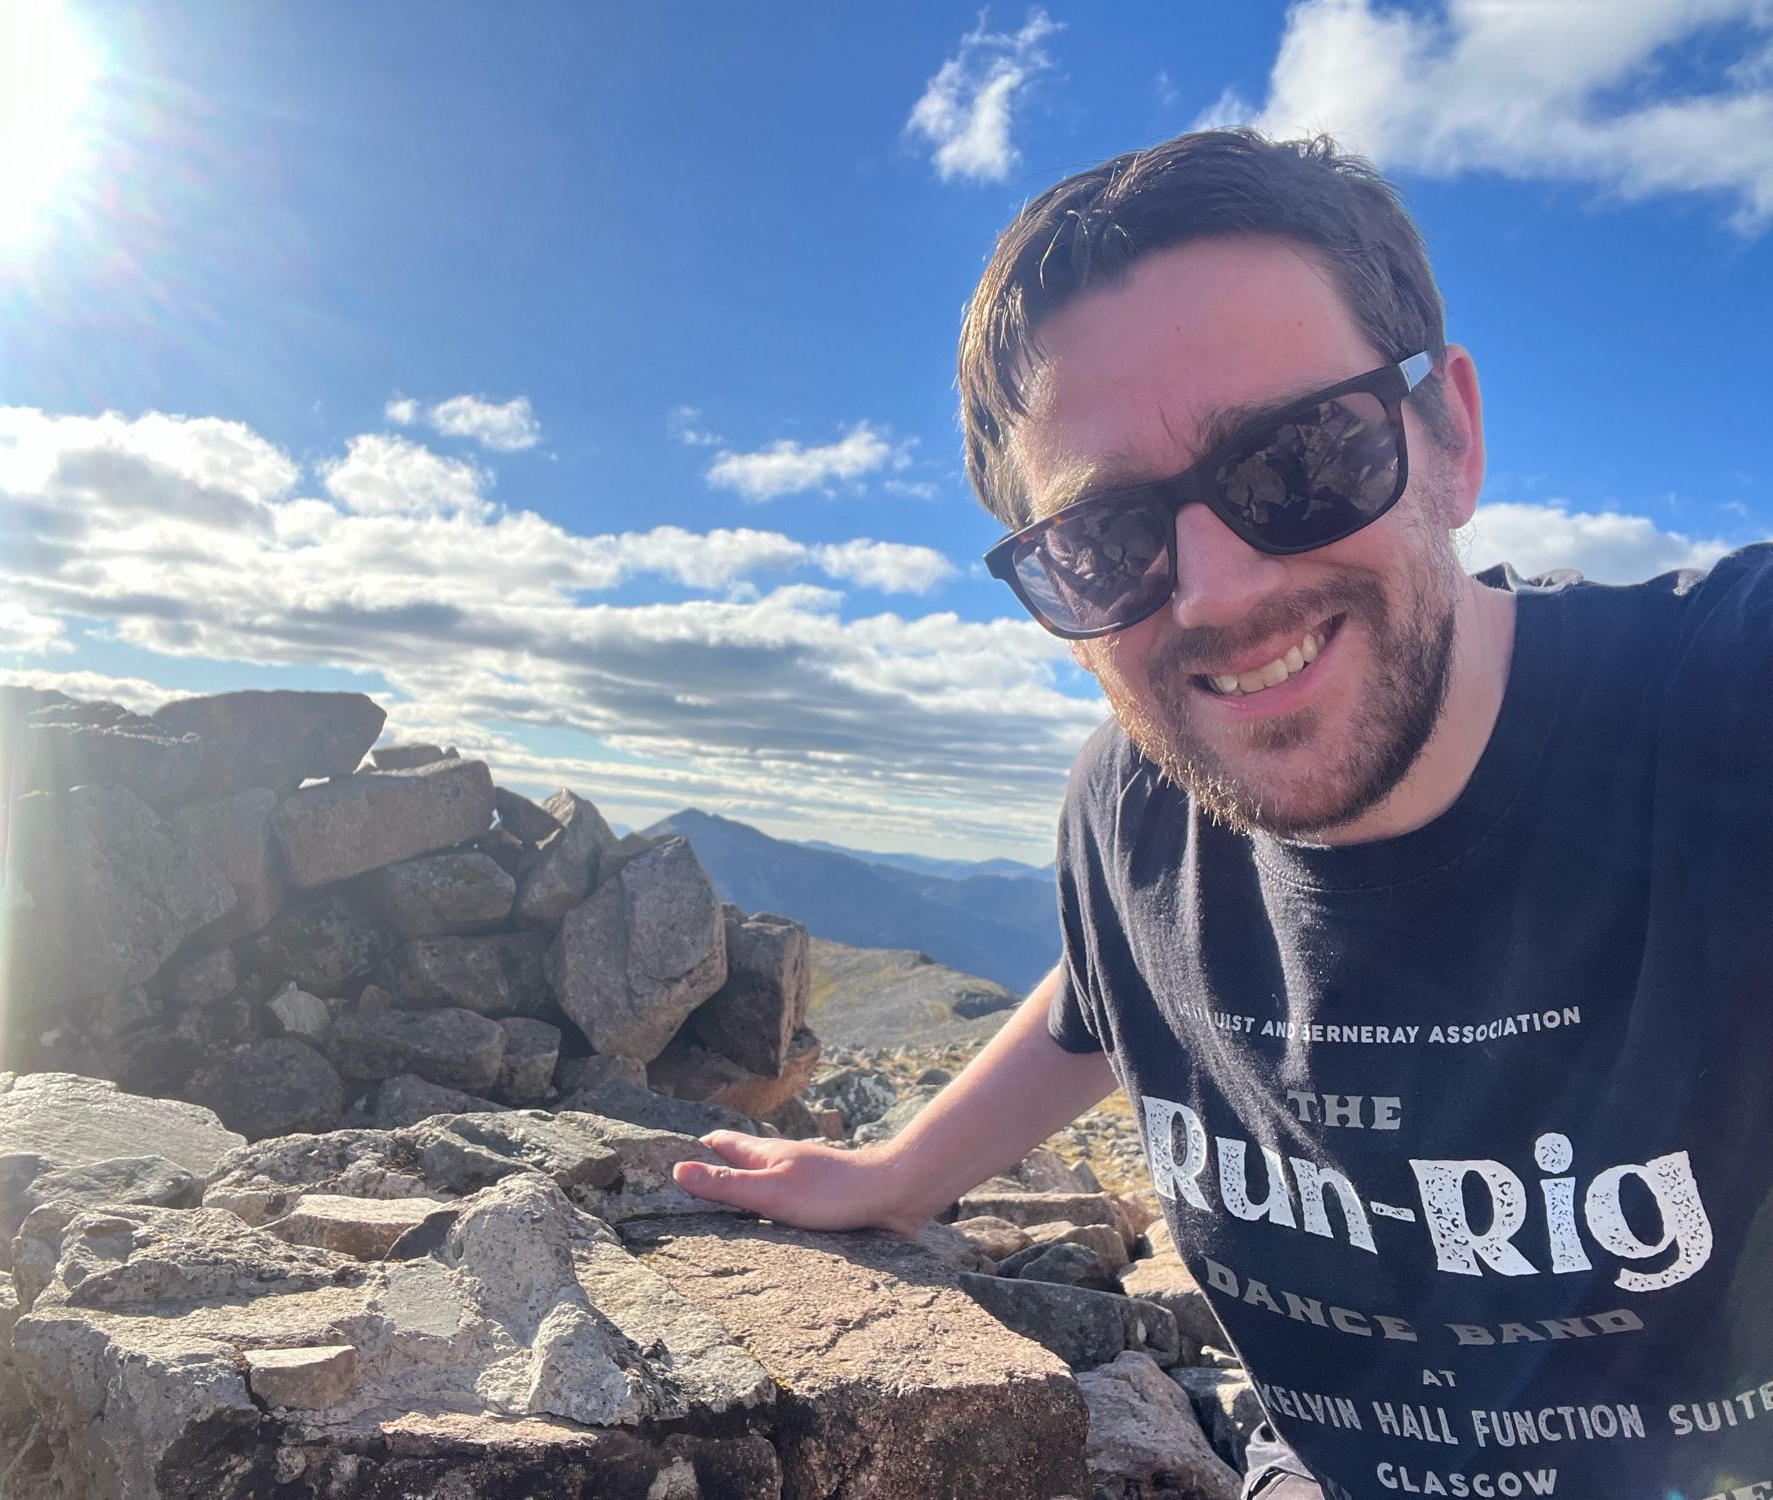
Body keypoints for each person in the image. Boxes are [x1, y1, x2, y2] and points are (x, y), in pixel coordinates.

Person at [672, 129, 1773, 1499]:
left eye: (1296, 458)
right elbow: (1107, 988)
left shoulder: (1723, 707)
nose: (1214, 588)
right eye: (1105, 541)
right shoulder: (1132, 810)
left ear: (1451, 438)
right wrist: (897, 1171)